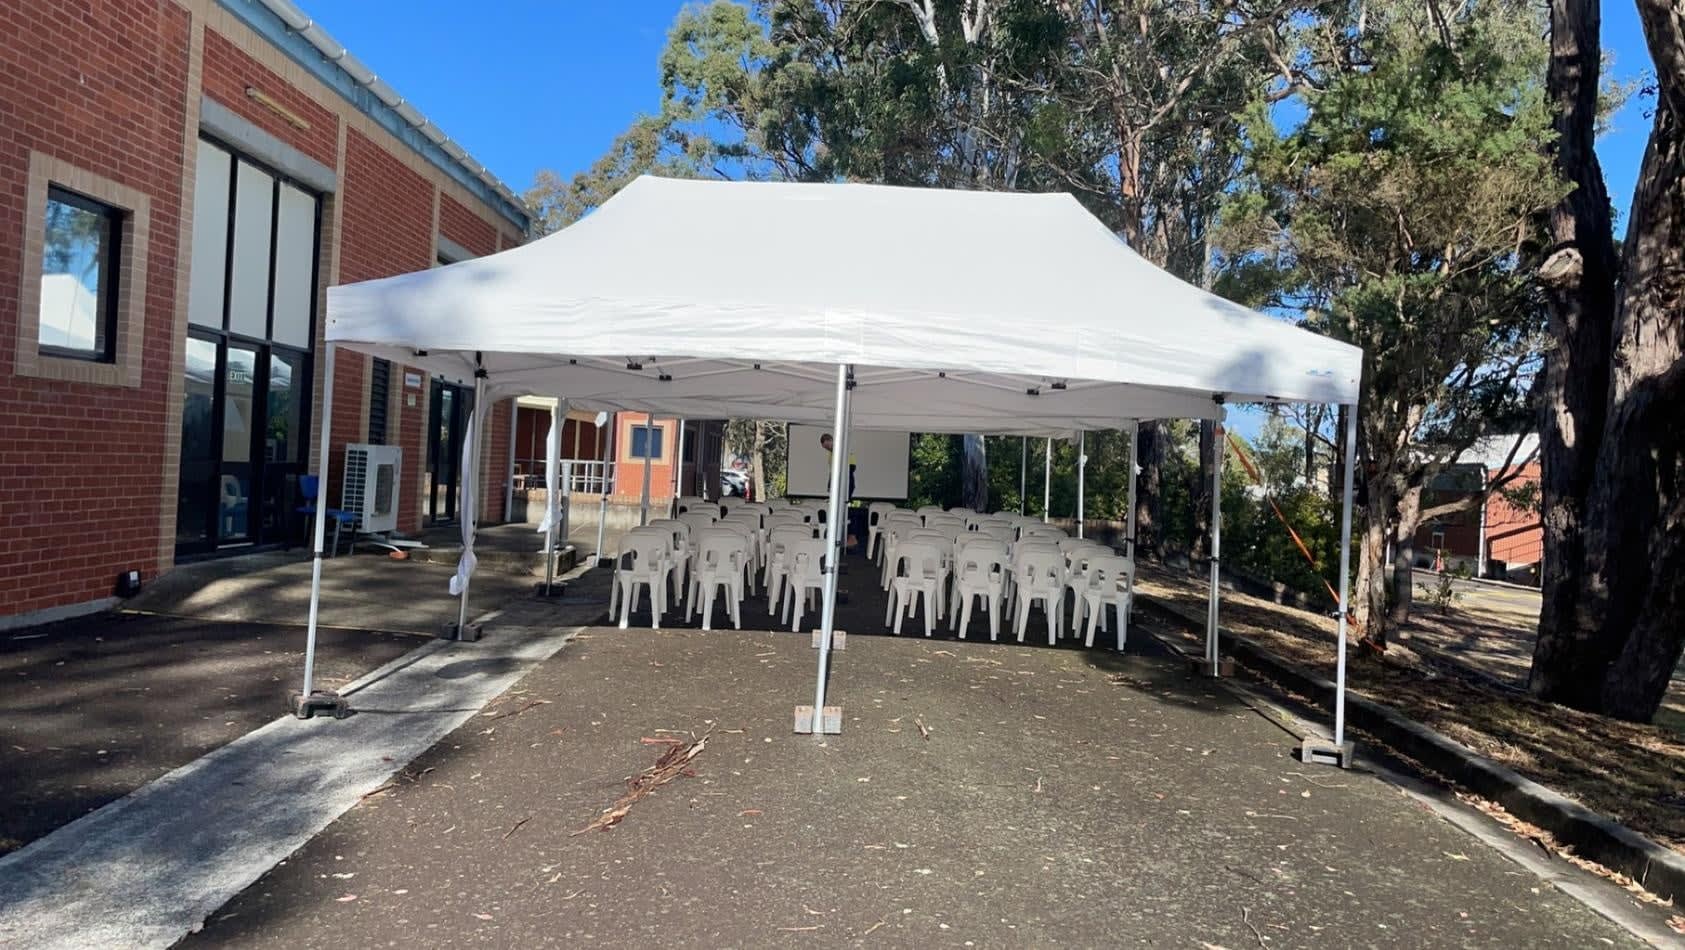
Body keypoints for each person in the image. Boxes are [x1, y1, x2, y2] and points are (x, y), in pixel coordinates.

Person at [821, 432, 859, 553]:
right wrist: (829, 484)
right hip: (838, 484)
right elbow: (832, 472)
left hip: (846, 482)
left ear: (831, 441)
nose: (828, 449)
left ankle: (851, 537)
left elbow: (851, 467)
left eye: (828, 446)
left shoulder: (843, 448)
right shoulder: (831, 455)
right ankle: (840, 538)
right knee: (838, 511)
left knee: (844, 509)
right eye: (826, 448)